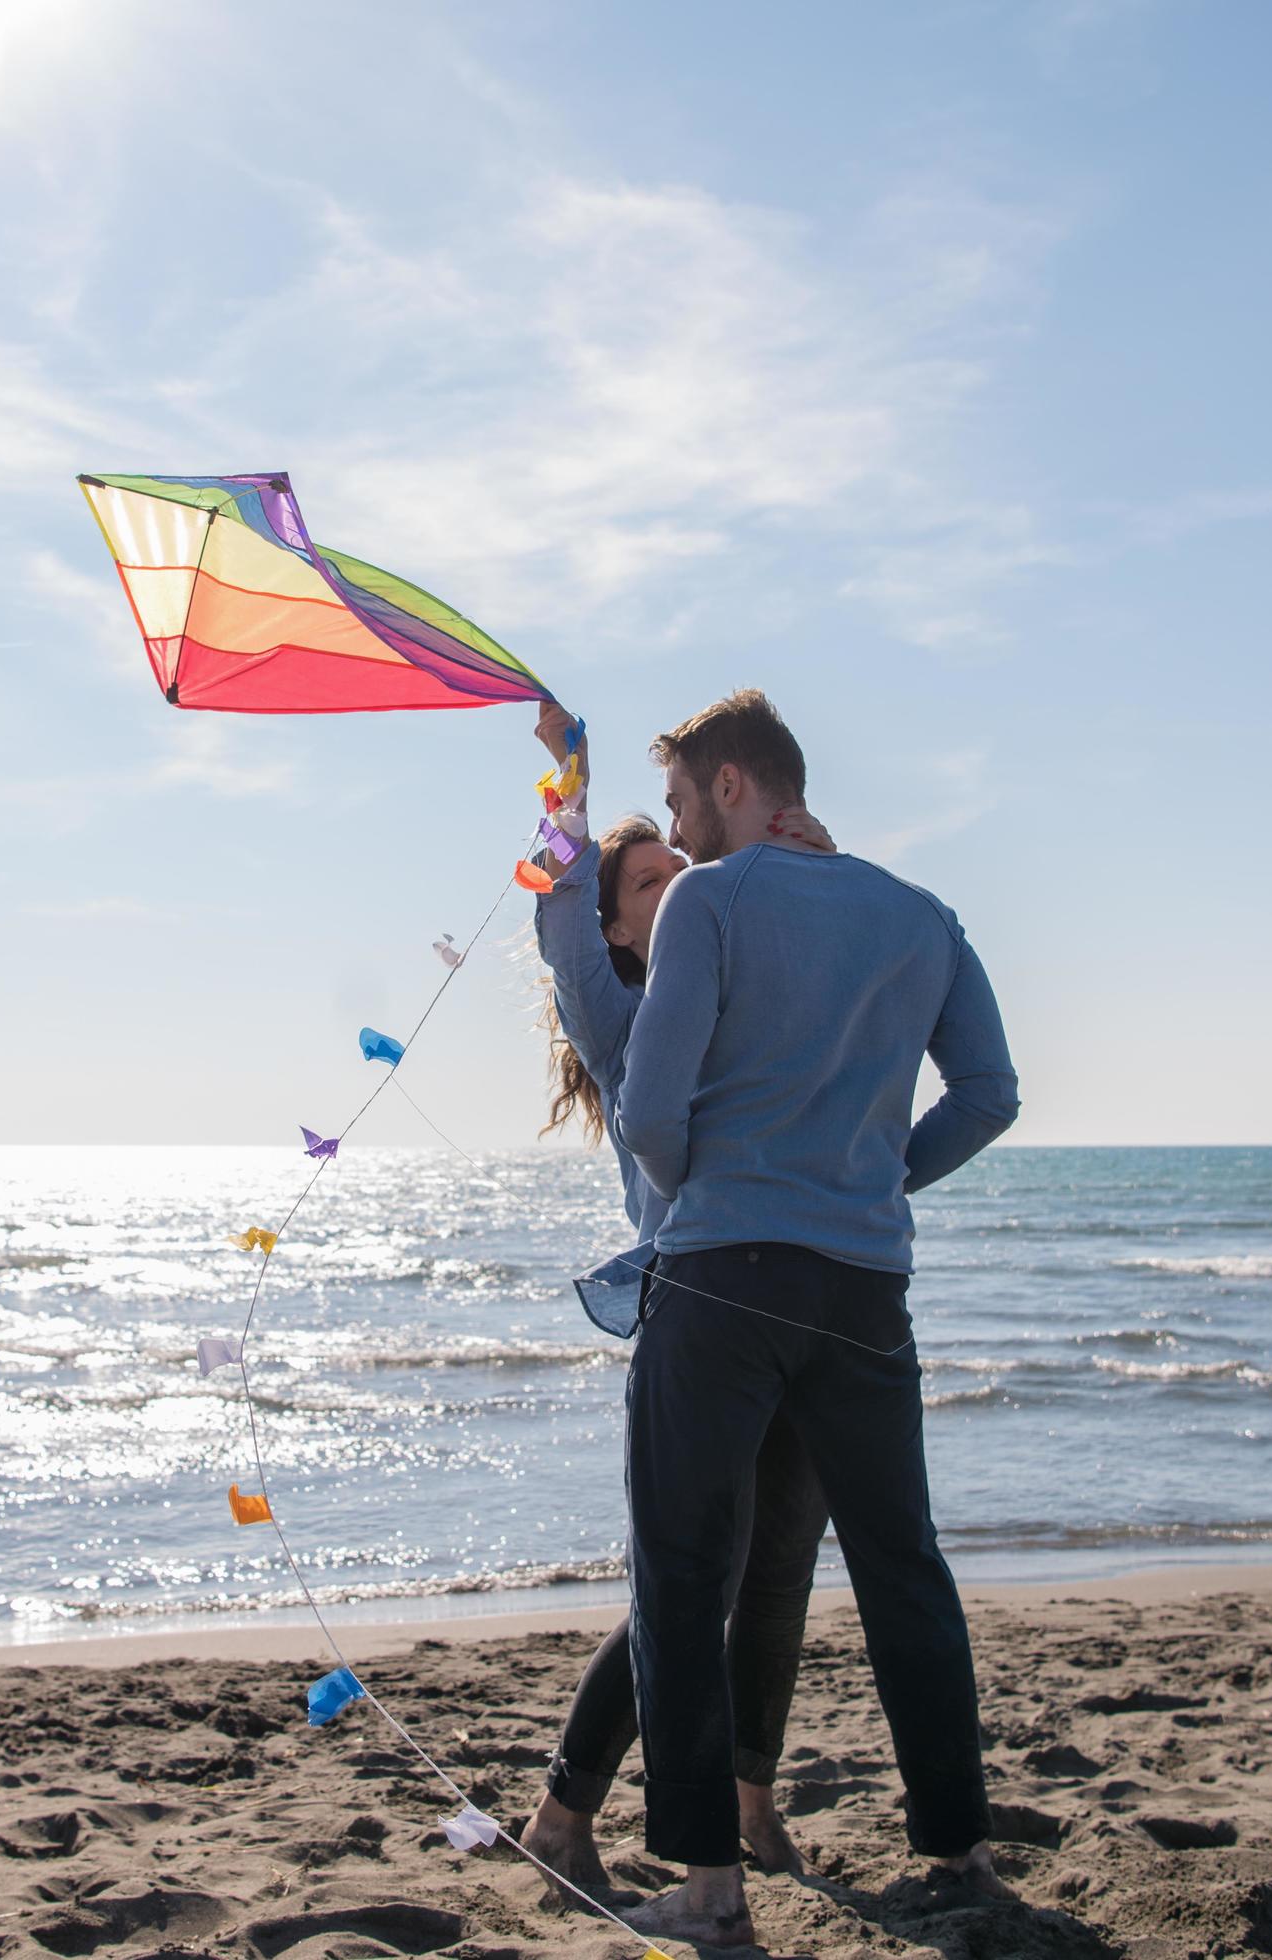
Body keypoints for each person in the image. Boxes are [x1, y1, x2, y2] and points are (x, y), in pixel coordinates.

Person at [609, 689, 1020, 1947]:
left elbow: (648, 1110)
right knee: (903, 1564)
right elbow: (990, 1096)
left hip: (722, 1271)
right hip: (862, 1286)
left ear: (734, 784)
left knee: (682, 1568)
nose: (677, 829)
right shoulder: (920, 914)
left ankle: (712, 1884)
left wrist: (709, 1193)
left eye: (680, 800)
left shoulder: (708, 904)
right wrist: (878, 1172)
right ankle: (955, 1846)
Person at [518, 702, 830, 1901]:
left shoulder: (741, 973)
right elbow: (556, 908)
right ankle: (562, 1808)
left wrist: (811, 861)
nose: (676, 887)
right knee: (686, 1587)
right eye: (647, 884)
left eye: (677, 868)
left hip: (801, 1299)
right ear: (617, 927)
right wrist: (571, 778)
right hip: (695, 1315)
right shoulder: (618, 1013)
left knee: (779, 1566)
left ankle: (752, 1796)